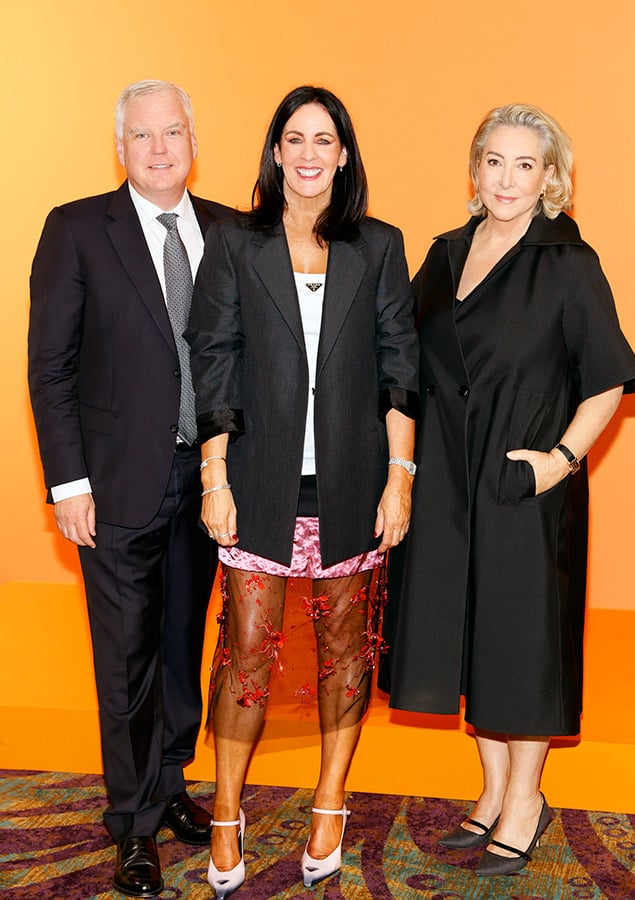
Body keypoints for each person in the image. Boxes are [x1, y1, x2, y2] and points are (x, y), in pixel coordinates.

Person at [384, 104, 635, 877]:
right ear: (475, 170)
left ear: (550, 178)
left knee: (523, 644)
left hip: (524, 485)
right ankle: (494, 791)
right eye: (493, 161)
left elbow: (608, 381)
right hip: (446, 484)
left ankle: (527, 799)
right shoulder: (443, 251)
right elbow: (402, 358)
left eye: (524, 164)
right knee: (473, 638)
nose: (505, 178)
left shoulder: (568, 261)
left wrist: (560, 460)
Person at [186, 85, 419, 897]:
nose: (311, 154)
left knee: (345, 658)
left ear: (344, 154)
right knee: (245, 655)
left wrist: (400, 480)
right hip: (257, 483)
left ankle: (330, 800)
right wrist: (214, 477)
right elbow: (211, 361)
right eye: (296, 138)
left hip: (354, 486)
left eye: (325, 139)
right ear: (276, 151)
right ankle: (225, 807)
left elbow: (401, 370)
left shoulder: (380, 246)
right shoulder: (235, 244)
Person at [28, 79, 231, 897]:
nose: (158, 148)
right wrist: (68, 483)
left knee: (184, 643)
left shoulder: (226, 229)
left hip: (206, 481)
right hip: (112, 485)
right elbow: (51, 366)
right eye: (142, 135)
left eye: (172, 132)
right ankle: (132, 825)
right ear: (121, 147)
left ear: (191, 139)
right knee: (125, 659)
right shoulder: (77, 229)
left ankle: (172, 782)